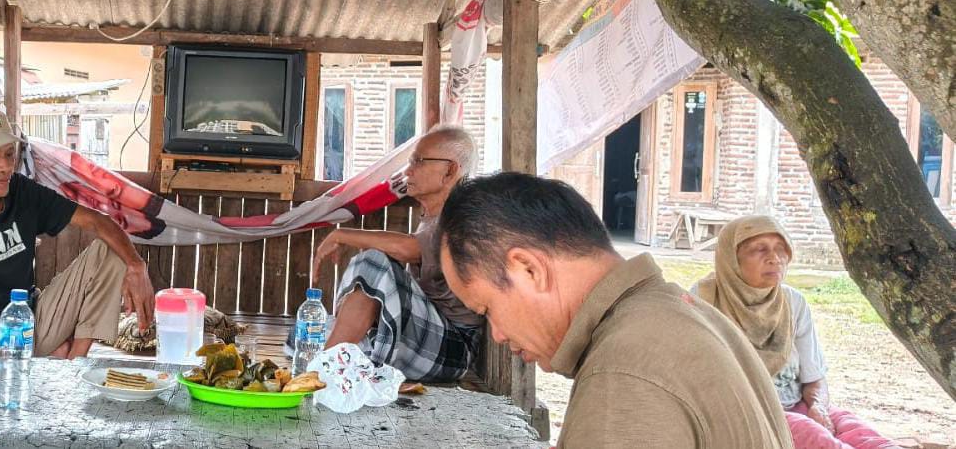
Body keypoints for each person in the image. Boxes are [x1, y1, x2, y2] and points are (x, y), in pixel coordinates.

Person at [439, 172, 792, 449]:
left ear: (529, 270)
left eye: (486, 309)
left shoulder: (622, 374)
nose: (498, 334)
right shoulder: (686, 313)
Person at [0, 102, 155, 363]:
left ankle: (75, 363)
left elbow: (99, 222)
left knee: (112, 250)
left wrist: (136, 265)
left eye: (9, 154)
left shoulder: (22, 192)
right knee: (46, 353)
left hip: (29, 329)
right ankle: (55, 355)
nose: (5, 166)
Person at [695, 216, 898, 449]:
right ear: (731, 258)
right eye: (759, 250)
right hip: (741, 414)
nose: (774, 258)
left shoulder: (793, 302)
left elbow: (814, 378)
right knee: (815, 437)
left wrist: (819, 408)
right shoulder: (702, 301)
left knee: (861, 433)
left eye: (781, 249)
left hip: (795, 405)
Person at [307, 125, 483, 383]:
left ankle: (320, 374)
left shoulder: (463, 216)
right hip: (424, 339)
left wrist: (340, 235)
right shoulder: (433, 216)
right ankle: (328, 364)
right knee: (309, 332)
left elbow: (410, 249)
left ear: (450, 170)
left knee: (372, 263)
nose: (408, 170)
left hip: (452, 349)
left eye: (418, 161)